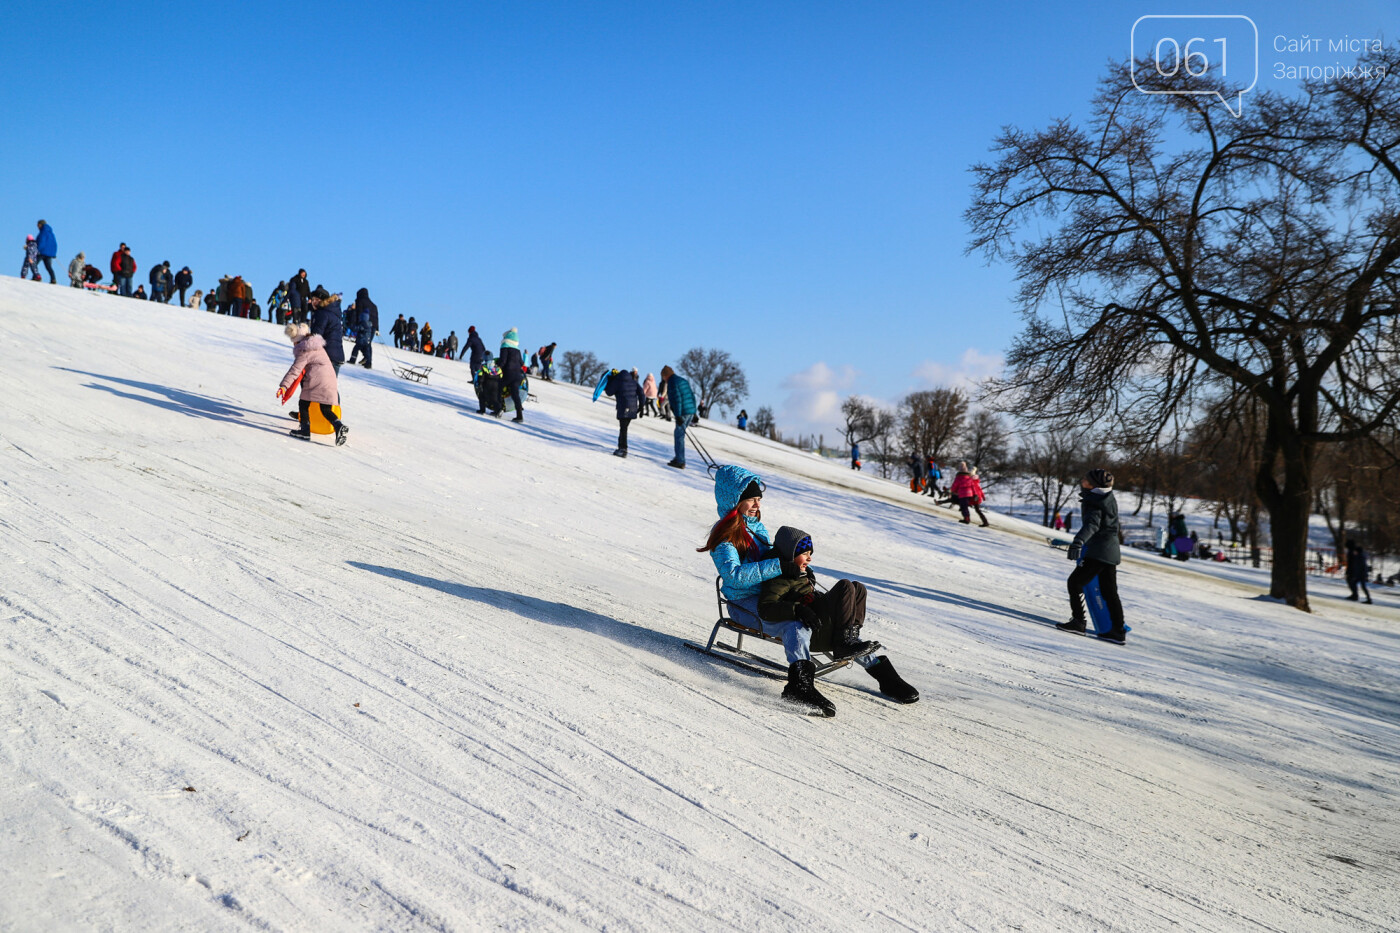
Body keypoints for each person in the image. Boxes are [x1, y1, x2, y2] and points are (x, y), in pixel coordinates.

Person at [698, 465, 916, 717]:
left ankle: (882, 673)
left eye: (759, 499)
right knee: (795, 624)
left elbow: (774, 560)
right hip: (744, 604)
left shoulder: (757, 529)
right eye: (750, 500)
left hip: (777, 594)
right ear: (734, 500)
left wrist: (796, 569)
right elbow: (733, 576)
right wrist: (780, 566)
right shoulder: (725, 536)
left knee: (834, 615)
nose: (757, 505)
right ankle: (799, 685)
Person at [1057, 468, 1128, 644]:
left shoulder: (1095, 501)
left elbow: (1092, 525)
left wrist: (1078, 541)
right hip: (1110, 550)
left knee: (1075, 583)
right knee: (1109, 592)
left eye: (1086, 479)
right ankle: (1118, 631)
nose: (1082, 480)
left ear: (1094, 484)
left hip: (1098, 551)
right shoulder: (1107, 497)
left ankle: (1078, 622)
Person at [277, 321, 348, 445]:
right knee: (325, 408)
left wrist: (283, 386)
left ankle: (305, 431)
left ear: (297, 340)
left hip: (317, 380)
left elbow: (295, 370)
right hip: (330, 380)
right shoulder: (317, 346)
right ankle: (338, 426)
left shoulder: (304, 350)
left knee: (304, 403)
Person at [660, 365, 695, 468]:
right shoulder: (682, 380)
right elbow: (692, 396)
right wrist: (695, 412)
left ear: (665, 375)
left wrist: (678, 415)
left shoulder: (672, 382)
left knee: (679, 436)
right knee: (680, 435)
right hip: (690, 411)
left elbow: (677, 399)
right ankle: (679, 457)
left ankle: (680, 460)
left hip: (683, 412)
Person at [603, 368, 641, 457]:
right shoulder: (633, 381)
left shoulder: (617, 381)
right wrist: (641, 406)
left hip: (623, 408)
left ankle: (623, 449)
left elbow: (609, 392)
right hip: (633, 408)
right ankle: (622, 448)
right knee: (624, 428)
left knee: (623, 428)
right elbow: (641, 393)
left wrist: (609, 381)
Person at [309, 291, 346, 375]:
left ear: (323, 301)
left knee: (319, 386)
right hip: (336, 356)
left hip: (327, 356)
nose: (314, 302)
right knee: (328, 387)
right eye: (313, 299)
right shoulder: (333, 312)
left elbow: (316, 336)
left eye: (317, 299)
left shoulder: (322, 313)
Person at [498, 327, 526, 422]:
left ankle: (498, 409)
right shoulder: (517, 350)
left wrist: (497, 368)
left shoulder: (505, 346)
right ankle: (519, 416)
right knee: (515, 394)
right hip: (518, 375)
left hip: (508, 373)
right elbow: (521, 363)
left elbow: (503, 361)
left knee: (498, 388)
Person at [347, 288, 379, 369]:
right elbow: (376, 318)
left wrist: (355, 324)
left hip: (363, 325)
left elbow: (358, 313)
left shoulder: (360, 301)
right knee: (367, 343)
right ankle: (368, 361)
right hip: (373, 326)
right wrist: (377, 328)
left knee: (360, 342)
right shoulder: (374, 305)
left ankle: (357, 359)